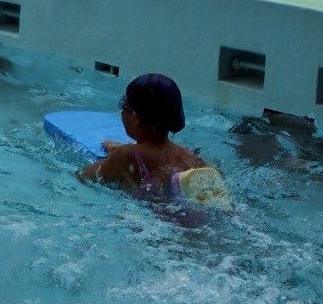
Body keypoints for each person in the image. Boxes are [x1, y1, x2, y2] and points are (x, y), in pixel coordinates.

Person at [78, 73, 230, 218]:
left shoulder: (127, 155)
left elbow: (84, 176)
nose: (122, 112)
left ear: (135, 117)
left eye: (124, 106)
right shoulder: (190, 157)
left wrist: (114, 158)